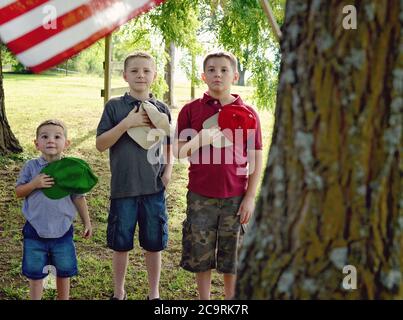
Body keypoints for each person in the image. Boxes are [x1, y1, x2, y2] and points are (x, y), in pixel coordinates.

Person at [174, 51, 263, 300]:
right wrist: (198, 140)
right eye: (211, 70)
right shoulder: (191, 110)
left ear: (235, 75)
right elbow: (179, 151)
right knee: (201, 255)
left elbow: (255, 158)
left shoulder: (248, 113)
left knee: (231, 258)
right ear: (203, 76)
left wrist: (250, 196)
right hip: (200, 196)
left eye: (224, 70)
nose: (217, 74)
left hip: (235, 197)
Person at [96, 51, 172, 300]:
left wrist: (168, 170)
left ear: (154, 75)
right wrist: (127, 123)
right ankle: (119, 292)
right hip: (123, 188)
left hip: (153, 188)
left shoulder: (161, 109)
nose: (141, 75)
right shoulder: (115, 107)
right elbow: (101, 144)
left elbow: (169, 142)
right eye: (135, 70)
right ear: (125, 75)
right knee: (121, 244)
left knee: (154, 244)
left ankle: (154, 293)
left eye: (146, 70)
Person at [15, 119, 93, 300]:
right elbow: (19, 192)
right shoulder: (31, 167)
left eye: (57, 137)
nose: (51, 140)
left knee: (63, 273)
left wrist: (87, 222)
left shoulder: (70, 170)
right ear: (37, 144)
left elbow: (79, 197)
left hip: (63, 231)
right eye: (45, 136)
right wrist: (34, 184)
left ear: (66, 143)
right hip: (35, 230)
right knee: (36, 274)